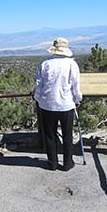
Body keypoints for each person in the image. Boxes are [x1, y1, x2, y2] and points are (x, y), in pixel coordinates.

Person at [34, 37, 82, 171]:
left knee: (50, 135)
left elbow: (38, 84)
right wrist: (77, 99)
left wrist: (38, 98)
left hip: (47, 104)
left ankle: (52, 163)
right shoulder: (72, 64)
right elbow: (75, 85)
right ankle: (67, 163)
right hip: (66, 104)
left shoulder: (45, 64)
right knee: (67, 134)